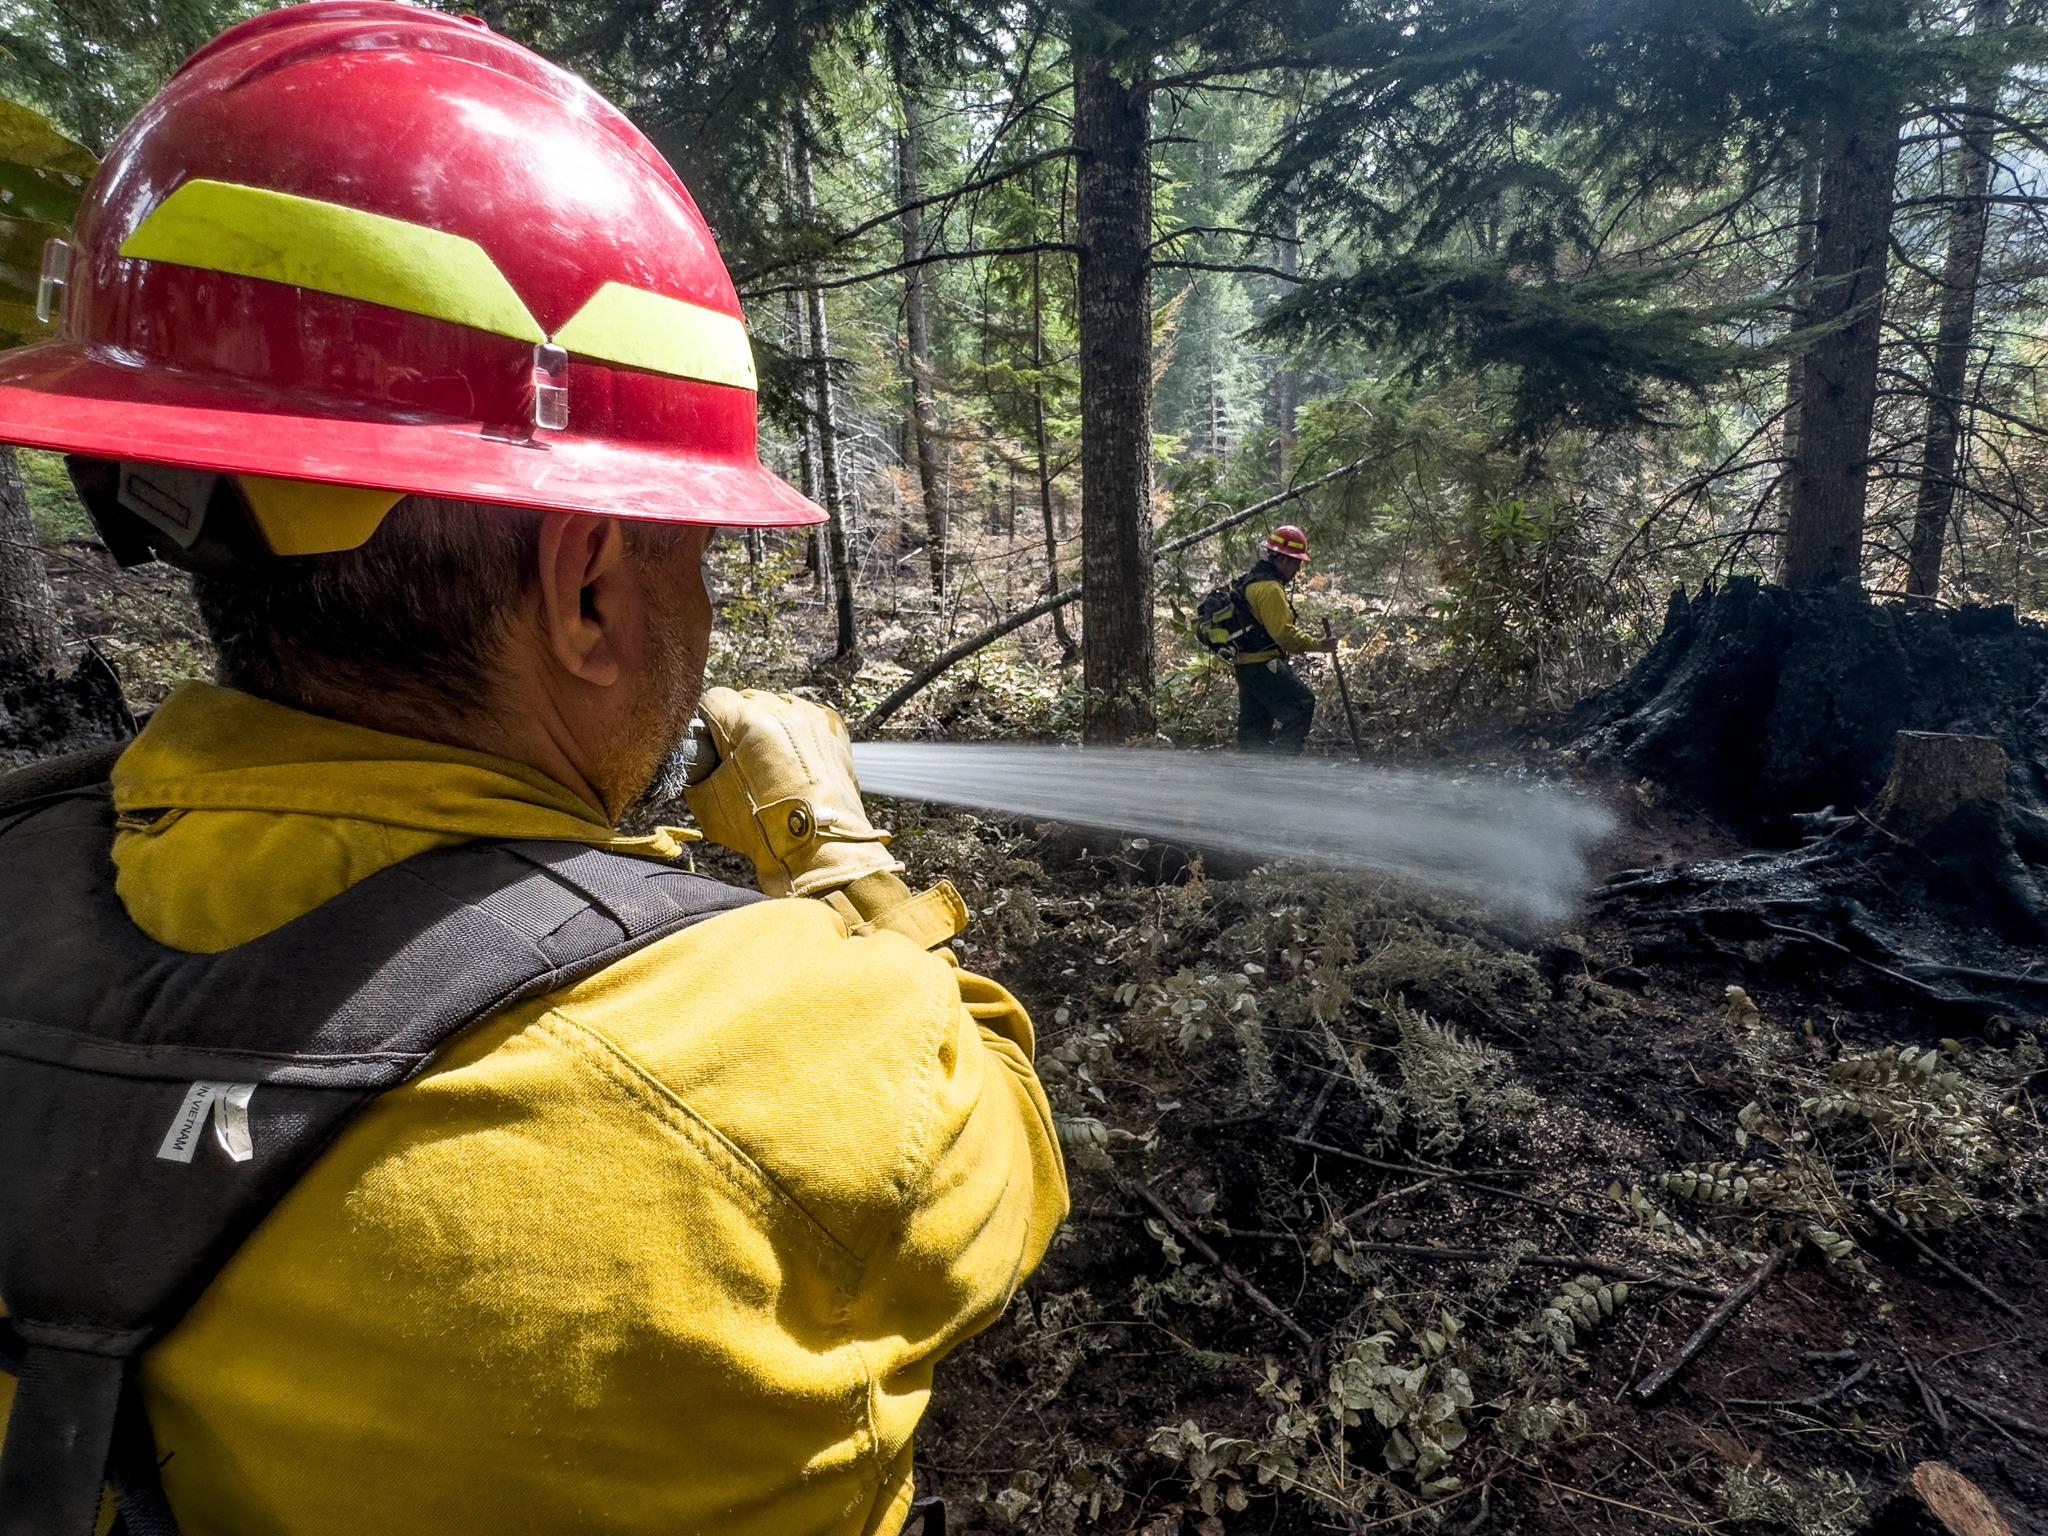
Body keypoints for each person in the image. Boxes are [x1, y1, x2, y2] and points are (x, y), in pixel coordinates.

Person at [0, 6, 1065, 1534]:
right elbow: (1010, 1147)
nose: (702, 616)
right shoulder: (798, 1060)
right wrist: (830, 841)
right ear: (586, 591)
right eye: (696, 559)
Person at [1231, 524, 1338, 753]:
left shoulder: (1251, 581)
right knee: (1301, 704)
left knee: (1255, 727)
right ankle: (1283, 770)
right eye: (1297, 563)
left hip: (1246, 667)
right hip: (1264, 666)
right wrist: (1318, 645)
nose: (1297, 570)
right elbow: (1284, 633)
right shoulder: (1270, 589)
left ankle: (1249, 779)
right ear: (1285, 560)